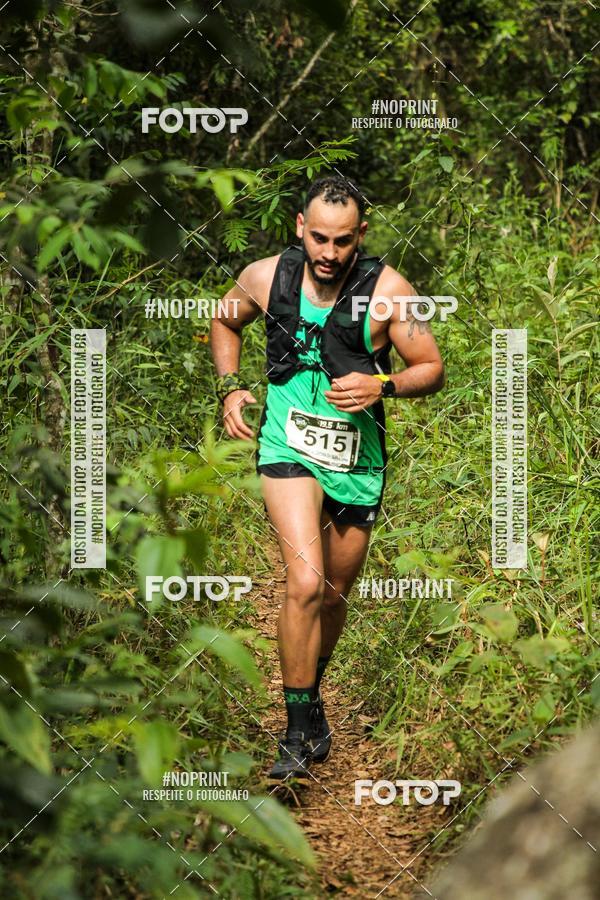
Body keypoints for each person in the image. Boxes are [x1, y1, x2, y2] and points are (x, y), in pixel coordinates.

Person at [210, 176, 444, 779]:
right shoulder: (265, 276)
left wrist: (382, 383)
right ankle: (292, 731)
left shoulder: (390, 292)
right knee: (305, 582)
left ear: (360, 236)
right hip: (286, 442)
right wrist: (230, 387)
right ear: (299, 228)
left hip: (357, 457)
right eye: (318, 238)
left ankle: (310, 697)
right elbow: (223, 322)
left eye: (342, 241)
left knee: (334, 593)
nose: (329, 253)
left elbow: (431, 368)